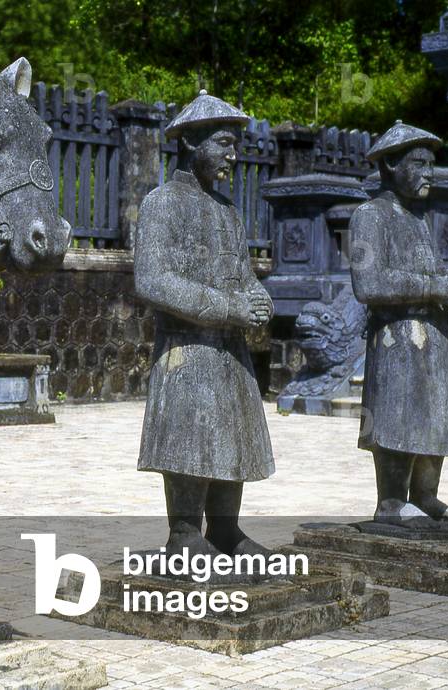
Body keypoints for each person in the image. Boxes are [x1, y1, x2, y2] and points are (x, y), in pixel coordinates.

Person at [134, 90, 275, 558]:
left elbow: (242, 272)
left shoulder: (228, 212)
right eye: (222, 143)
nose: (232, 155)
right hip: (187, 348)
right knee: (191, 438)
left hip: (229, 349)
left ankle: (225, 528)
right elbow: (153, 280)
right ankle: (183, 534)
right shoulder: (162, 203)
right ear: (190, 143)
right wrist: (225, 307)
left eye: (235, 144)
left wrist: (256, 298)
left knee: (232, 435)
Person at [349, 121, 448, 525]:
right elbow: (369, 283)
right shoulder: (369, 216)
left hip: (434, 338)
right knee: (398, 418)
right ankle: (390, 502)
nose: (429, 173)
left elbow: (428, 274)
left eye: (431, 164)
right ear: (388, 164)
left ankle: (425, 496)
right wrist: (435, 286)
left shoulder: (417, 221)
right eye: (418, 163)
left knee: (436, 414)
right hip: (397, 339)